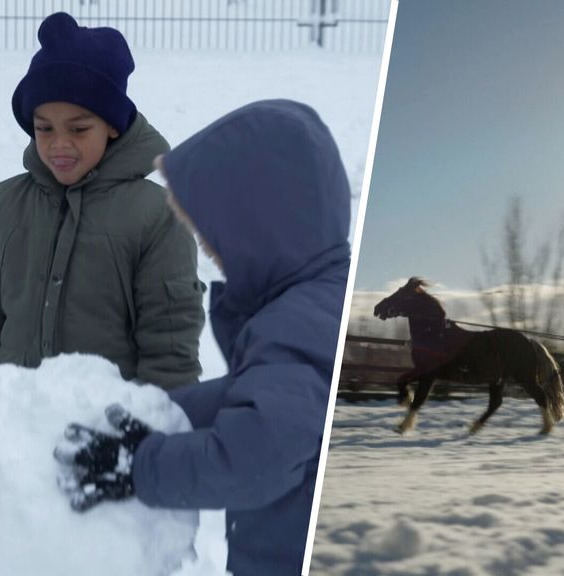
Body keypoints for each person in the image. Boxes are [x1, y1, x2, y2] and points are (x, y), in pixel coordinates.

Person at [54, 99, 351, 576]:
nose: (206, 248)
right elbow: (270, 399)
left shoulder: (292, 326)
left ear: (257, 223)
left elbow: (257, 458)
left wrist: (140, 468)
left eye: (211, 232)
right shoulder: (321, 304)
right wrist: (167, 413)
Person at [0, 12, 205, 502]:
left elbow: (169, 345)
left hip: (104, 455)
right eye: (43, 127)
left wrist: (152, 447)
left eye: (78, 128)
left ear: (113, 126)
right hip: (8, 443)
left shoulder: (156, 215)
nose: (59, 145)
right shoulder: (3, 205)